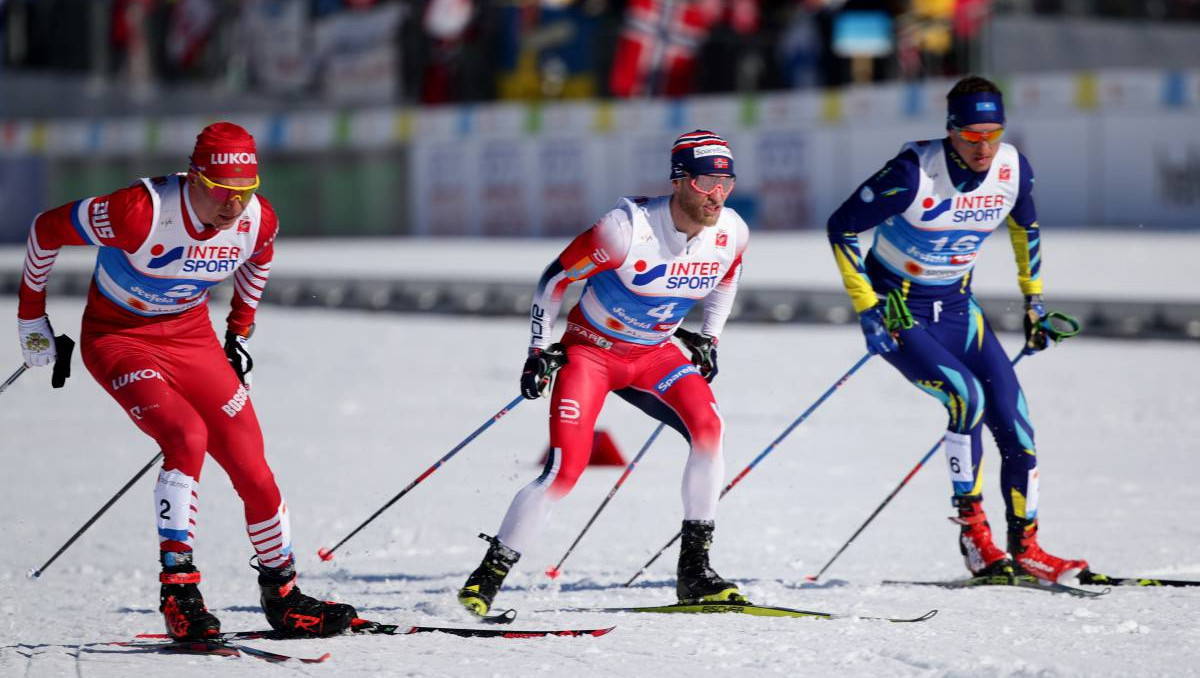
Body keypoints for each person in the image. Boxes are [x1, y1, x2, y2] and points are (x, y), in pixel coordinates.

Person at [16, 122, 358, 639]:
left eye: (244, 193)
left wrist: (238, 331)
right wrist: (30, 319)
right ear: (193, 179)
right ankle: (179, 590)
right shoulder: (139, 211)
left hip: (190, 338)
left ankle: (283, 595)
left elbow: (258, 261)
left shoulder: (257, 220)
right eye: (222, 192)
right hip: (119, 337)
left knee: (251, 461)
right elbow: (46, 229)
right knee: (186, 436)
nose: (233, 207)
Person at [457, 130, 751, 616]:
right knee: (564, 470)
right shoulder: (624, 229)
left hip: (655, 354)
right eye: (704, 182)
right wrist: (538, 349)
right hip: (591, 354)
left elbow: (729, 275)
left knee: (710, 430)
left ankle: (695, 572)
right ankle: (487, 578)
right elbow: (554, 280)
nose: (716, 194)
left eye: (726, 182)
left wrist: (710, 336)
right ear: (678, 181)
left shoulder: (732, 231)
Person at [825, 76, 1089, 584]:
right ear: (951, 132)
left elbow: (1025, 228)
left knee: (1016, 421)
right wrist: (867, 307)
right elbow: (842, 226)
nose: (984, 147)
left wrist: (1033, 303)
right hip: (902, 314)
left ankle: (1026, 546)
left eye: (993, 133)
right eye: (971, 137)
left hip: (959, 310)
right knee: (966, 398)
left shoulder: (1012, 168)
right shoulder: (911, 173)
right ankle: (974, 535)